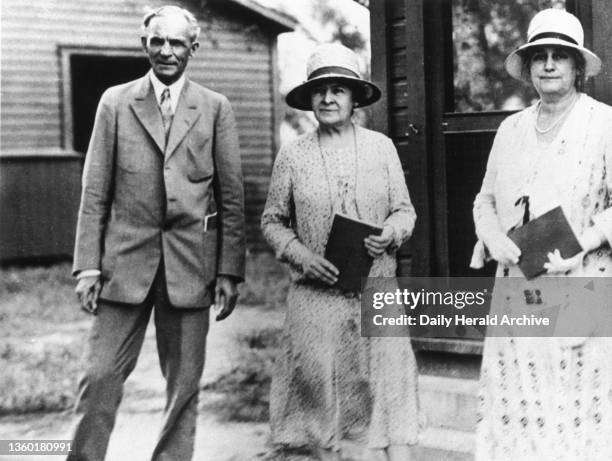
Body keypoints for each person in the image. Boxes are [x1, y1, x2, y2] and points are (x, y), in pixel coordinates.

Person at [68, 6, 245, 460]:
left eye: (177, 43)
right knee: (100, 378)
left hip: (191, 268)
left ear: (193, 48)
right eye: (157, 41)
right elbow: (94, 193)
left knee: (184, 387)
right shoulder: (115, 102)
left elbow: (231, 200)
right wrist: (87, 266)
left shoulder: (215, 108)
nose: (167, 51)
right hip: (121, 267)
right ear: (143, 44)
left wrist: (229, 271)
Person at [261, 44, 419, 461]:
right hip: (316, 297)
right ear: (309, 99)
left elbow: (405, 211)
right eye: (320, 91)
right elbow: (271, 221)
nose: (329, 98)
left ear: (354, 98)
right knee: (321, 403)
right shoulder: (293, 155)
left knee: (387, 392)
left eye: (339, 90)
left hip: (377, 290)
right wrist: (301, 255)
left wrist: (390, 233)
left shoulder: (381, 147)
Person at [471, 8, 612, 460]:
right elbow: (485, 199)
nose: (549, 65)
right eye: (539, 56)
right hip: (518, 285)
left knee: (574, 405)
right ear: (528, 66)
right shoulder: (510, 129)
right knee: (520, 403)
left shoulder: (604, 124)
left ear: (577, 67)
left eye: (560, 56)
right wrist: (492, 237)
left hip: (582, 277)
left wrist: (582, 246)